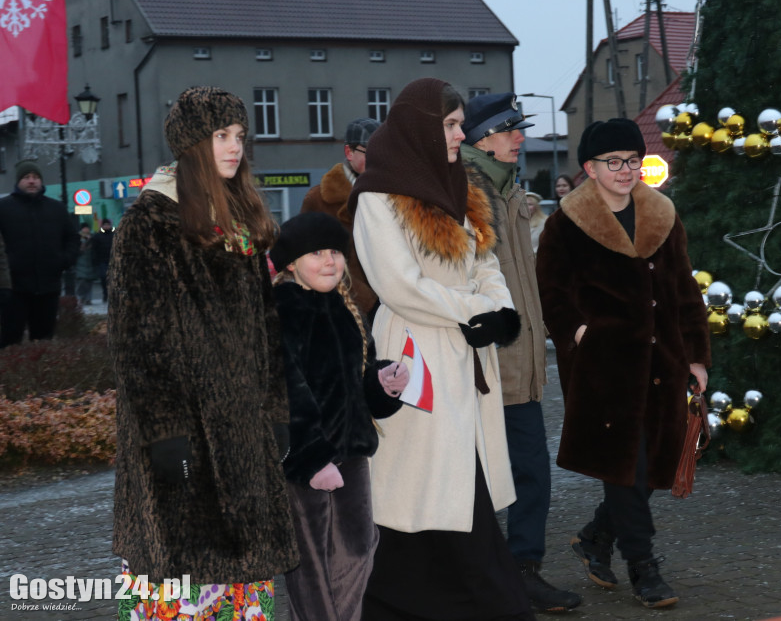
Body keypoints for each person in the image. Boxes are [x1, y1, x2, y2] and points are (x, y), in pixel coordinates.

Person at [107, 86, 299, 620]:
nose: (235, 146)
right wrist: (164, 429)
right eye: (221, 135)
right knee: (178, 580)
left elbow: (267, 328)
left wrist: (276, 411)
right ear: (193, 144)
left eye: (240, 135)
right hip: (184, 432)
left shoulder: (241, 220)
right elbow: (136, 341)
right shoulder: (149, 223)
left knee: (242, 586)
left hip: (242, 434)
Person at [349, 77, 534, 620]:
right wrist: (475, 312)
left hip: (467, 359)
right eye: (451, 124)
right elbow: (398, 284)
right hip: (416, 359)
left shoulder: (459, 188)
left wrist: (500, 312)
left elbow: (486, 262)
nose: (460, 134)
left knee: (444, 495)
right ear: (422, 128)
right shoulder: (379, 196)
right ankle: (495, 604)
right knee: (426, 495)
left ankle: (404, 603)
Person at [536, 118, 711, 610]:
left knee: (650, 464)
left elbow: (684, 290)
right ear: (590, 168)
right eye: (613, 161)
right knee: (626, 465)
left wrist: (696, 356)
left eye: (633, 160)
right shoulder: (566, 222)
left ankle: (596, 536)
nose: (625, 170)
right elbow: (552, 292)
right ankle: (643, 566)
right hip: (603, 368)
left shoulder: (662, 213)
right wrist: (580, 334)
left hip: (663, 361)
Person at [460, 93, 580, 612]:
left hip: (521, 363)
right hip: (488, 365)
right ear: (481, 137)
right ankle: (491, 578)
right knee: (495, 477)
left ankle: (521, 570)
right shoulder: (466, 192)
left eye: (519, 128)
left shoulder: (510, 192)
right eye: (510, 129)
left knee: (529, 472)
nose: (520, 137)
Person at [269, 211, 408, 621]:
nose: (330, 261)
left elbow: (360, 379)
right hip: (305, 462)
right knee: (311, 565)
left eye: (335, 252)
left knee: (360, 547)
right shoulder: (282, 310)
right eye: (317, 253)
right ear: (292, 262)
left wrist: (384, 384)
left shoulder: (347, 308)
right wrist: (311, 459)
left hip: (351, 451)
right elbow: (285, 389)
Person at [301, 117, 380, 314]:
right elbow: (318, 264)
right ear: (349, 152)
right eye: (371, 152)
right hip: (342, 309)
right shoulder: (318, 200)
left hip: (392, 308)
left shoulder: (392, 196)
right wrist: (371, 304)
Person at [0, 160, 78, 347]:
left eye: (35, 177)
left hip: (48, 287)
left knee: (43, 341)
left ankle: (40, 376)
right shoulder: (4, 208)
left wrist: (64, 261)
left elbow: (72, 238)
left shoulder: (56, 209)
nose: (32, 181)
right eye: (26, 177)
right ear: (18, 181)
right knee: (10, 341)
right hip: (14, 289)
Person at [91, 218, 115, 303]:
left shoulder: (114, 235)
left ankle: (111, 295)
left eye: (108, 225)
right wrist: (94, 260)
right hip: (101, 260)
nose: (107, 226)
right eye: (105, 225)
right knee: (103, 277)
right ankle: (105, 294)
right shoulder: (97, 236)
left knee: (113, 279)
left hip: (113, 260)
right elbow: (94, 249)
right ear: (102, 226)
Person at [75, 223, 94, 305]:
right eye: (84, 228)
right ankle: (80, 297)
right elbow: (76, 250)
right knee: (81, 281)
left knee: (89, 282)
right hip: (80, 263)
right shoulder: (77, 238)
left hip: (90, 263)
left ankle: (88, 299)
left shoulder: (93, 237)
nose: (86, 230)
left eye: (87, 228)